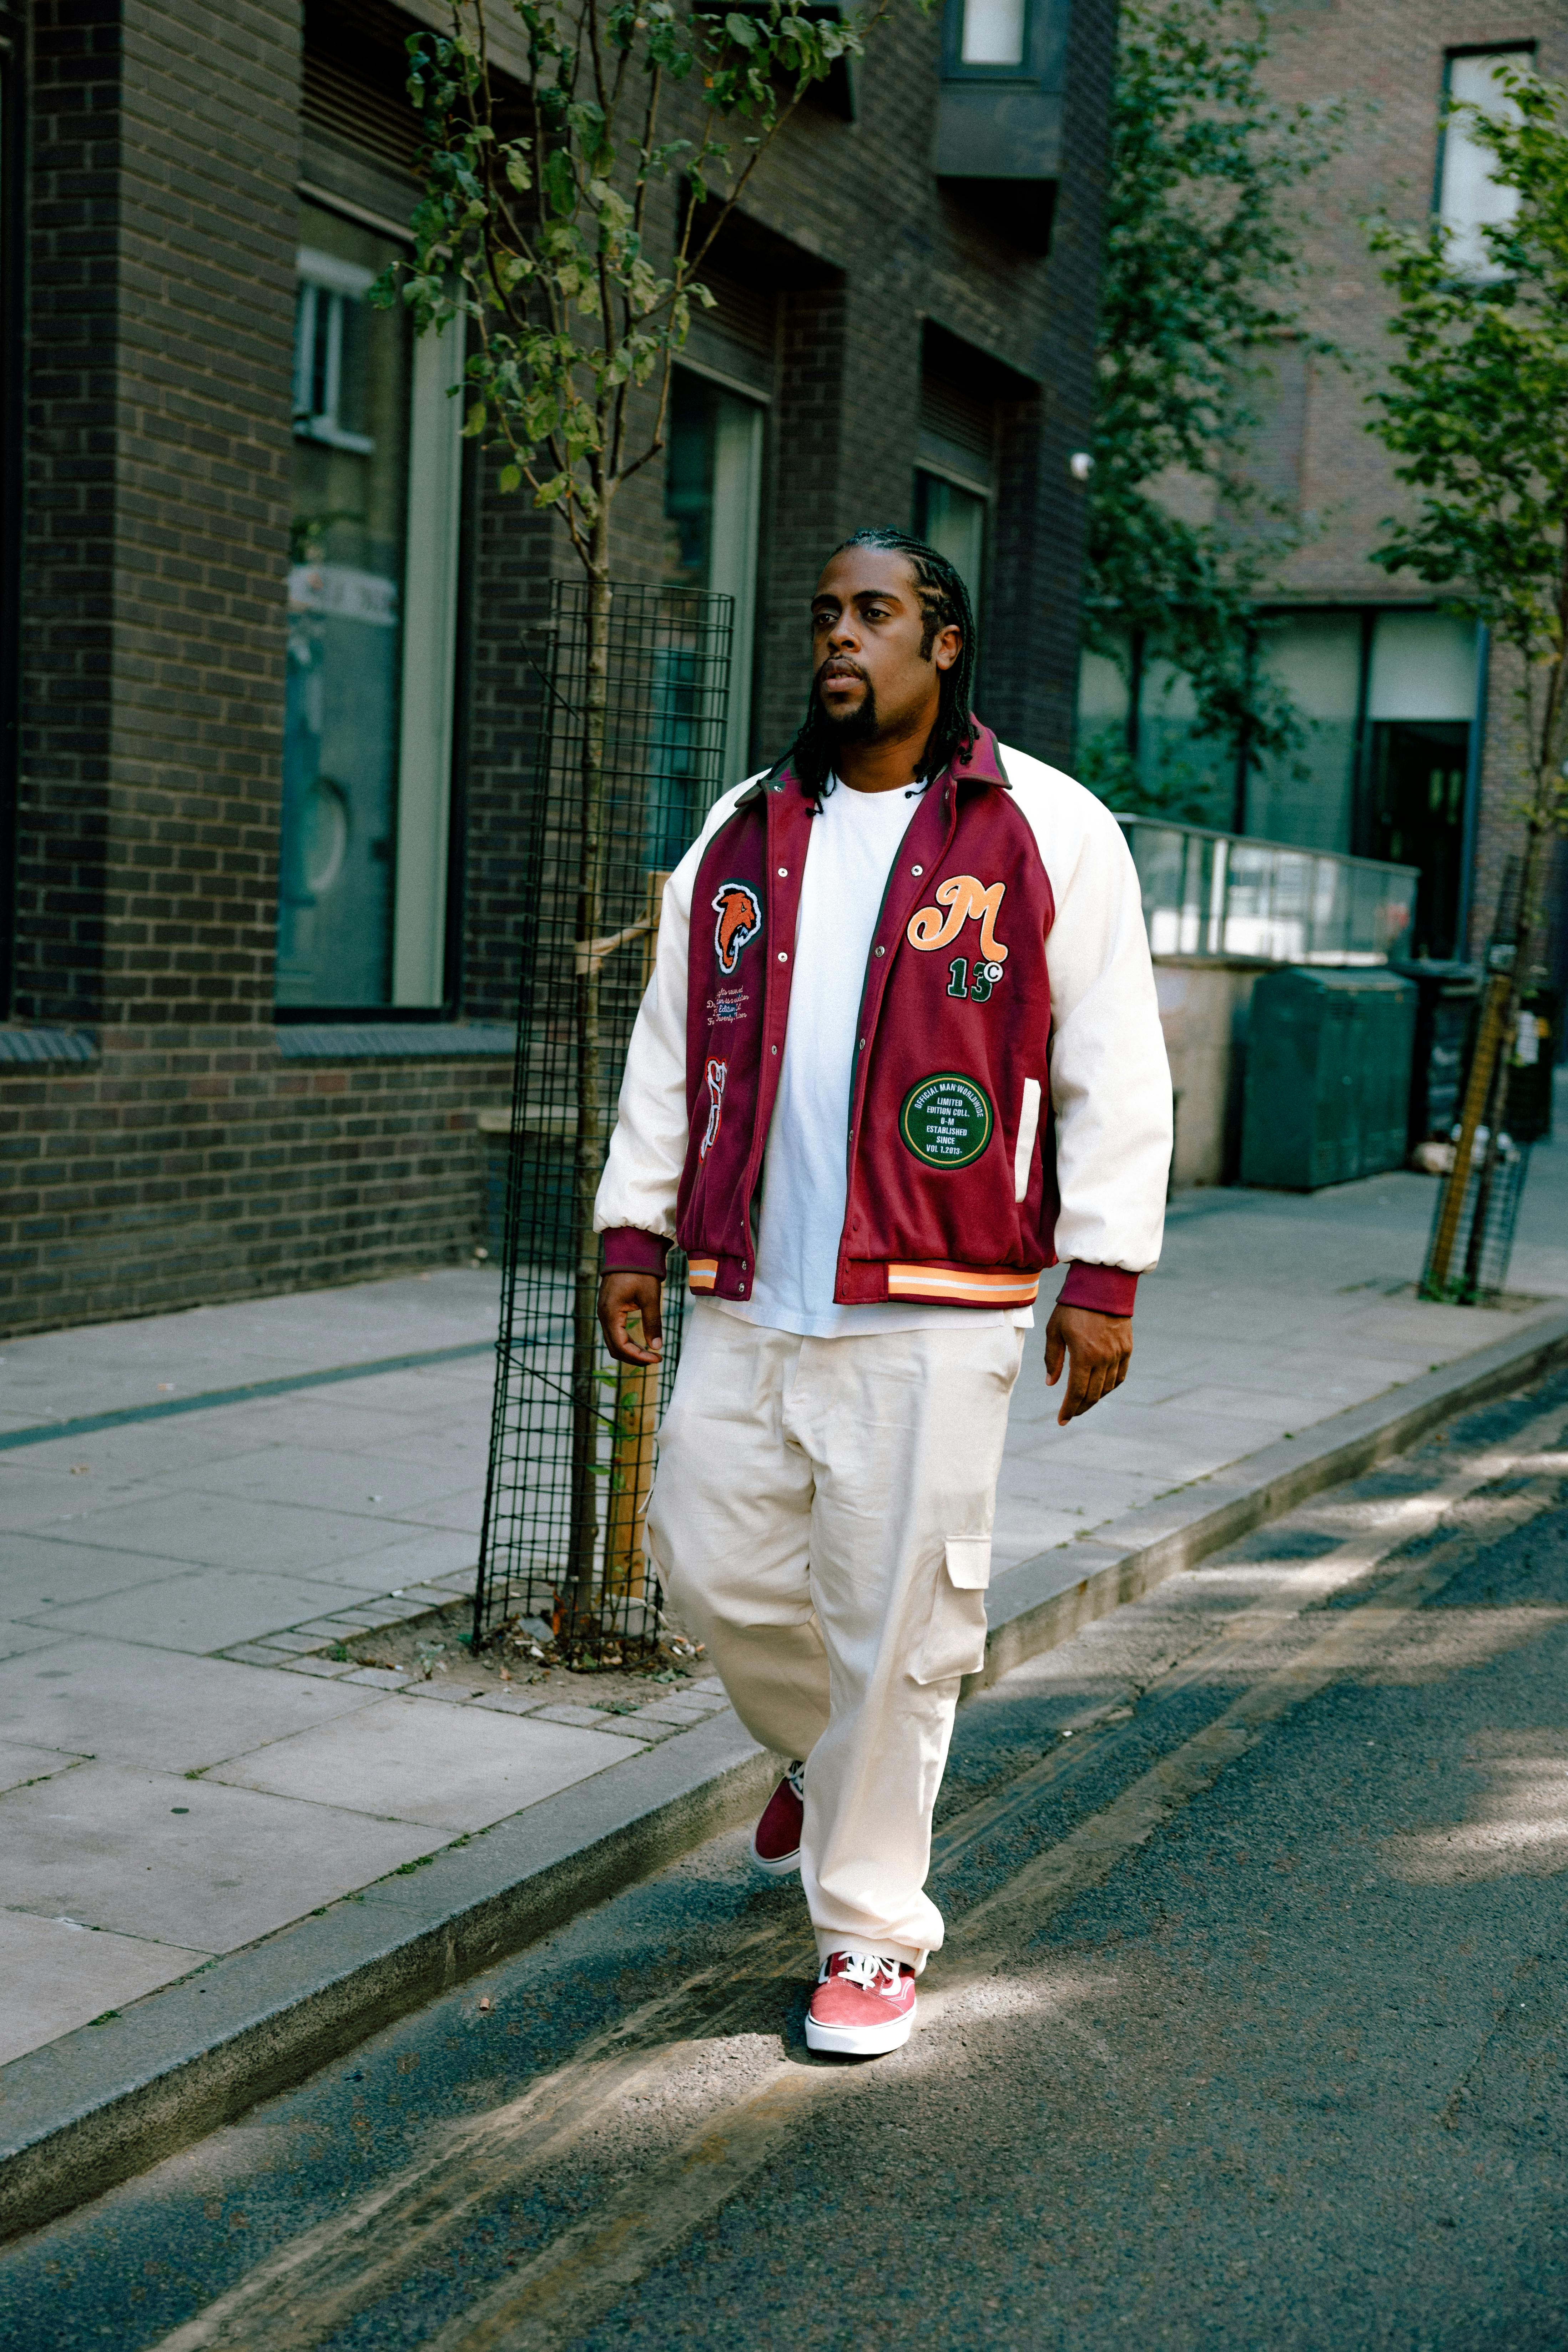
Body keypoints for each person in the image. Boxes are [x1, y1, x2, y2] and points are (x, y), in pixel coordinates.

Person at [595, 528, 1171, 2056]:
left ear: (946, 641)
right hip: (748, 1287)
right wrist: (630, 1229)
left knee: (903, 1619)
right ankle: (813, 1745)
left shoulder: (1043, 823)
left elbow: (1111, 1048)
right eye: (822, 613)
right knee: (706, 1559)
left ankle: (870, 1936)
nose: (837, 638)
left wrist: (1102, 1268)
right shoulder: (741, 824)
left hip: (941, 1295)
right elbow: (669, 1046)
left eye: (872, 613)